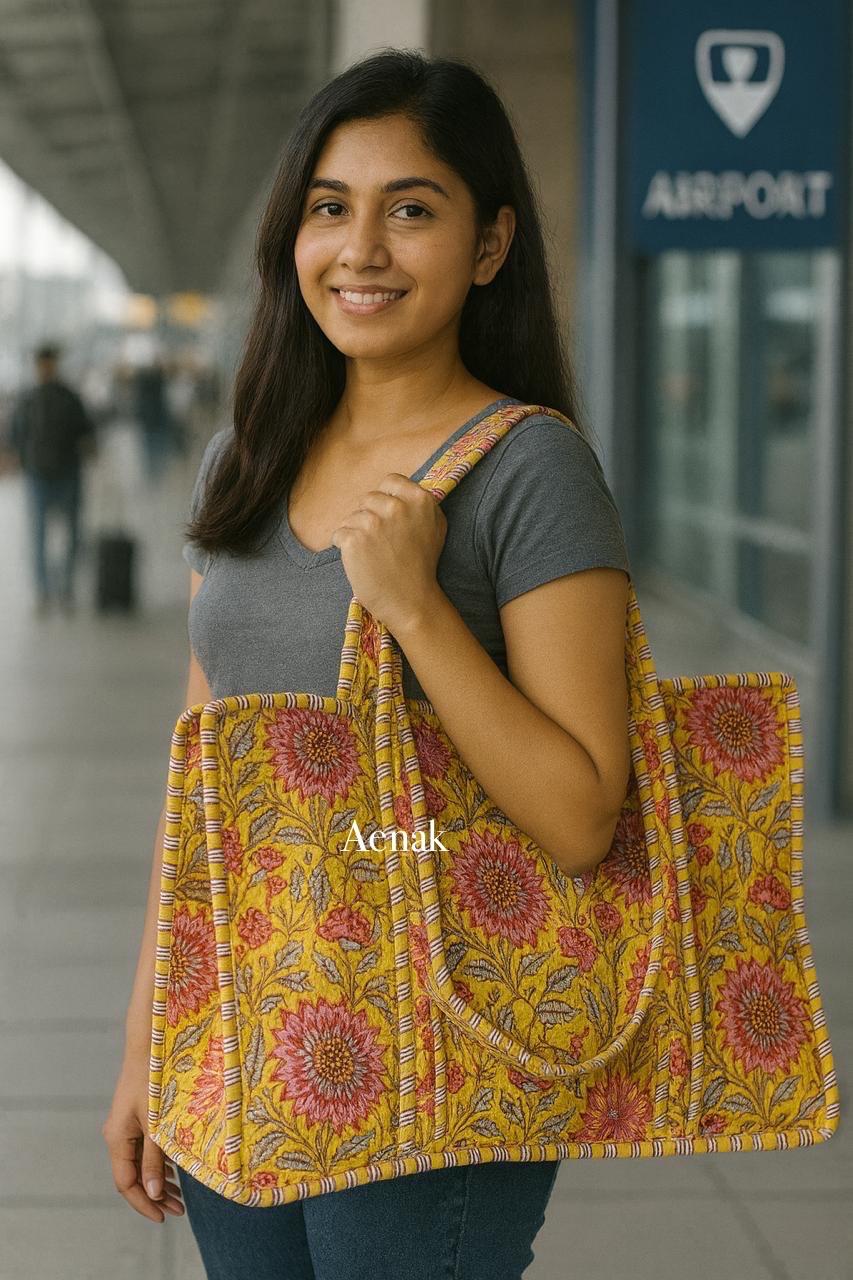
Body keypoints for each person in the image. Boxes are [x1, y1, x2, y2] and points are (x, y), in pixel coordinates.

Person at [102, 49, 632, 1280]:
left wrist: (415, 609)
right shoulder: (247, 455)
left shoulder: (528, 467)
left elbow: (578, 812)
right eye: (330, 208)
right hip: (246, 1016)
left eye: (412, 208)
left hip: (441, 1028)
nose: (362, 249)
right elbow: (201, 794)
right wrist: (148, 1042)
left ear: (490, 245)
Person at [9, 342, 98, 615]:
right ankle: (44, 591)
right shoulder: (29, 398)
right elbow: (15, 434)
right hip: (38, 476)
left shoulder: (67, 397)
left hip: (67, 474)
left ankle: (65, 588)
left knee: (71, 536)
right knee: (40, 537)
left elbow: (87, 431)